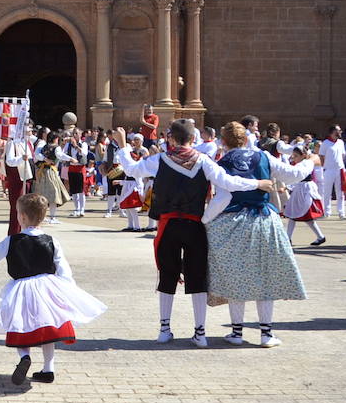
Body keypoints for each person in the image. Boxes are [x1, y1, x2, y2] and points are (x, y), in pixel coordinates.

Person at [111, 121, 274, 346]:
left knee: (167, 276)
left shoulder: (160, 160)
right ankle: (200, 333)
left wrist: (122, 145)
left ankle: (164, 330)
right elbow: (228, 183)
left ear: (171, 139)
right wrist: (258, 183)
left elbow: (131, 169)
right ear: (192, 139)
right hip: (195, 225)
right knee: (197, 278)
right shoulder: (203, 160)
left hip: (168, 226)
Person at [0, 193, 106, 384]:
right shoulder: (51, 241)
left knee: (20, 326)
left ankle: (24, 357)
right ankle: (48, 369)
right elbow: (64, 269)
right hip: (48, 288)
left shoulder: (11, 241)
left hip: (21, 290)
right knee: (48, 327)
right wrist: (67, 291)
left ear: (22, 217)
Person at [203, 121, 315, 348]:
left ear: (223, 142)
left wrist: (205, 221)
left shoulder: (222, 162)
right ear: (246, 139)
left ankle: (236, 332)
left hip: (232, 224)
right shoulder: (263, 157)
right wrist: (310, 162)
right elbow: (292, 175)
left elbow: (223, 198)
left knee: (237, 277)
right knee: (264, 276)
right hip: (264, 220)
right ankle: (266, 334)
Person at [282, 145, 327, 246]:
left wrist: (287, 187)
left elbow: (296, 178)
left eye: (296, 156)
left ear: (303, 156)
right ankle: (320, 236)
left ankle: (288, 238)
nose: (294, 158)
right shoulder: (300, 164)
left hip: (305, 190)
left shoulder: (304, 164)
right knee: (299, 216)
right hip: (300, 189)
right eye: (293, 156)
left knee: (296, 215)